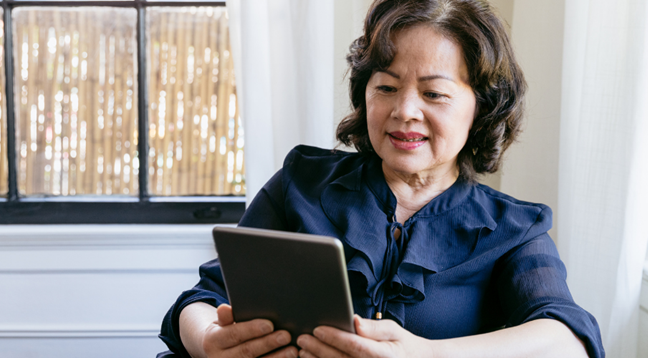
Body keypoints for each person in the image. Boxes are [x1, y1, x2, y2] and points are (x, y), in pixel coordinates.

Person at [159, 0, 605, 357]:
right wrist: (205, 342)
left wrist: (426, 355)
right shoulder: (300, 183)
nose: (404, 110)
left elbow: (568, 339)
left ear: (481, 109)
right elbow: (203, 297)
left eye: (434, 93)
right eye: (386, 87)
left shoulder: (514, 230)